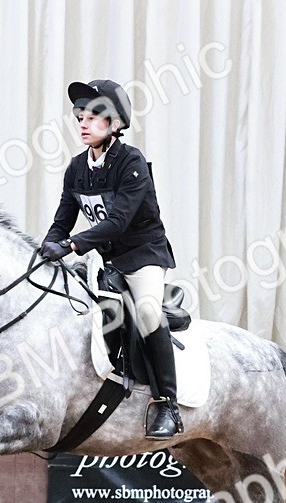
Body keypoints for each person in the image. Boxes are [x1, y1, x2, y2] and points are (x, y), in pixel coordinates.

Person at [40, 79, 182, 440]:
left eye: (93, 118)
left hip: (143, 255)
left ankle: (168, 403)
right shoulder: (76, 168)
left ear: (115, 124)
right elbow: (62, 222)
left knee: (148, 310)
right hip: (107, 262)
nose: (83, 124)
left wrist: (71, 247)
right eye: (80, 117)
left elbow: (117, 223)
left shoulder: (130, 162)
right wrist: (42, 252)